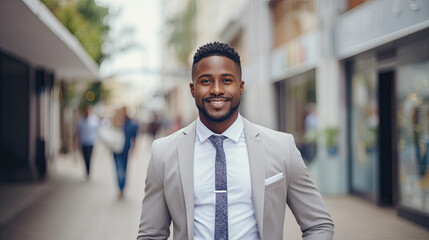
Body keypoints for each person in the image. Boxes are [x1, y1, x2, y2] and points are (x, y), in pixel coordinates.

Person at [137, 42, 334, 239]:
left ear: (240, 87)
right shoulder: (163, 153)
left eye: (226, 80)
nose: (216, 90)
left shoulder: (282, 147)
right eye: (206, 81)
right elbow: (151, 234)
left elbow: (318, 224)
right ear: (192, 89)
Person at [113, 107, 138, 198]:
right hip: (116, 150)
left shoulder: (131, 124)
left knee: (123, 169)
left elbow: (134, 138)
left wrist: (134, 149)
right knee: (119, 169)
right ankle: (120, 188)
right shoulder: (116, 122)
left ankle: (122, 188)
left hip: (125, 150)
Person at [75, 106, 100, 179]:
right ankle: (86, 169)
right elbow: (77, 132)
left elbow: (98, 130)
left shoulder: (94, 120)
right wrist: (76, 141)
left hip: (91, 142)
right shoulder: (80, 121)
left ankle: (88, 171)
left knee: (89, 157)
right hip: (83, 142)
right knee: (85, 157)